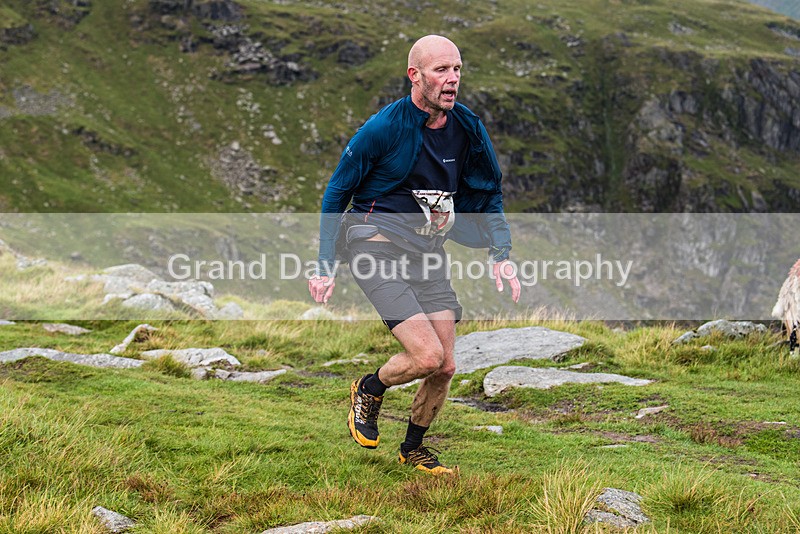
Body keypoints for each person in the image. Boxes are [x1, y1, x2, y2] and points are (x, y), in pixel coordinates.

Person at [308, 34, 521, 475]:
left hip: (427, 253)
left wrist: (501, 252)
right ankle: (370, 387)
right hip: (375, 248)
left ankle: (413, 447)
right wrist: (324, 264)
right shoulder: (383, 127)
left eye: (457, 69)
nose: (452, 79)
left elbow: (488, 191)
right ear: (415, 75)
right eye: (441, 70)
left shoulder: (467, 128)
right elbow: (336, 192)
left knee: (444, 366)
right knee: (425, 356)